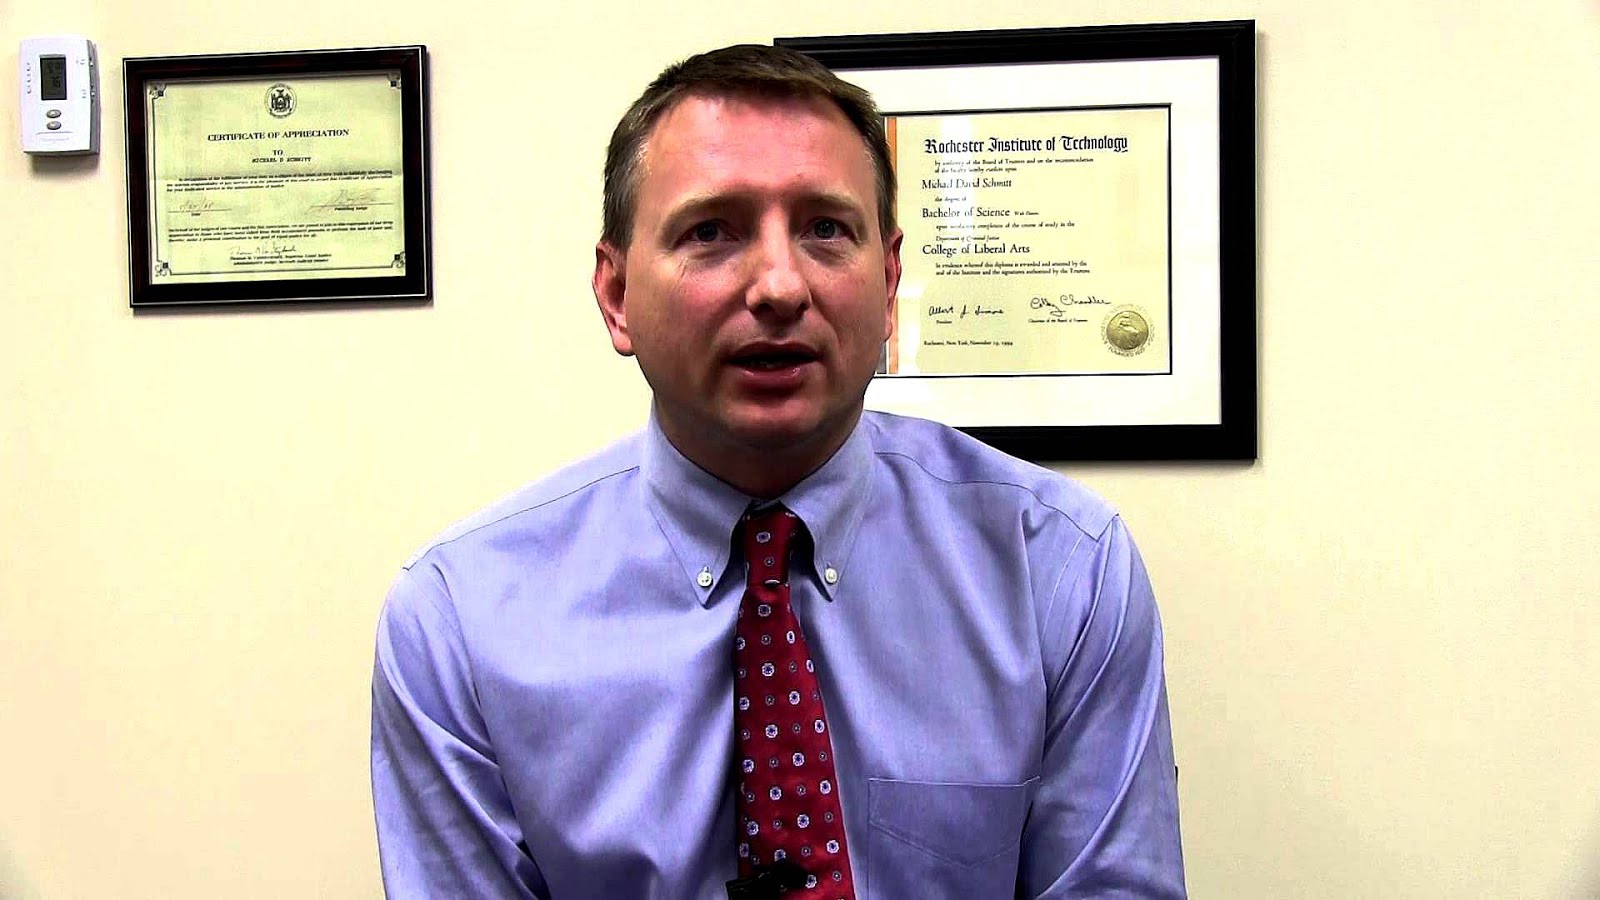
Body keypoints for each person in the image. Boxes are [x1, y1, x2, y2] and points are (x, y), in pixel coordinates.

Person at [371, 43, 1184, 899]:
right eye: (711, 232)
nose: (779, 287)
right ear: (615, 294)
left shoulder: (1059, 570)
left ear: (889, 279)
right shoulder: (461, 622)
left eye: (825, 229)